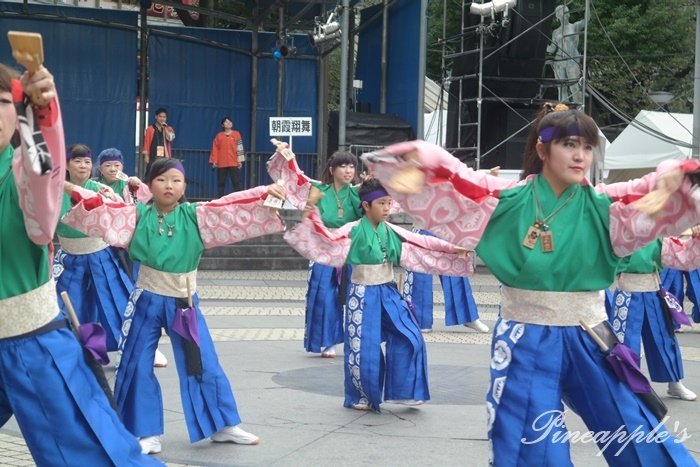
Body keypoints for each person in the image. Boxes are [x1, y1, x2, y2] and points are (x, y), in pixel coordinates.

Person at [363, 105, 700, 465]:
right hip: (525, 338)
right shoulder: (503, 199)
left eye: (588, 147)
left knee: (637, 429)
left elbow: (653, 189)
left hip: (591, 334)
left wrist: (681, 175)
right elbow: (454, 177)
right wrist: (412, 158)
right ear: (542, 150)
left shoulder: (607, 206)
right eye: (570, 144)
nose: (580, 155)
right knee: (532, 446)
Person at [62, 157, 287, 455]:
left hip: (184, 300)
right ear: (149, 184)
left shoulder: (197, 215)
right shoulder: (135, 215)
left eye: (176, 180)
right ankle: (145, 431)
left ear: (184, 186)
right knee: (136, 363)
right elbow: (94, 203)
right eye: (162, 179)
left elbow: (233, 204)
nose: (169, 186)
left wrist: (270, 192)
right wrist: (61, 183)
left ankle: (222, 424)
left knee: (202, 360)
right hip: (146, 298)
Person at [0, 63, 161, 465]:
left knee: (85, 454)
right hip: (65, 278)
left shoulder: (21, 172)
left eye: (3, 102)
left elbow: (42, 177)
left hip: (30, 342)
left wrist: (45, 115)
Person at [285, 178, 472, 412]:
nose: (386, 209)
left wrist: (453, 249)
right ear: (366, 206)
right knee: (363, 348)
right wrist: (310, 210)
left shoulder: (390, 229)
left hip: (388, 290)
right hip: (362, 294)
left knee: (411, 336)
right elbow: (326, 240)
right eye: (381, 203)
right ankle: (360, 396)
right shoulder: (352, 230)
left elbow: (422, 241)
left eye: (388, 203)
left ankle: (406, 392)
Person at [93, 146, 170, 367]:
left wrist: (138, 187)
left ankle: (145, 346)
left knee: (132, 292)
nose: (112, 169)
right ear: (100, 167)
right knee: (102, 299)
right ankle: (96, 347)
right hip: (101, 248)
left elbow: (147, 201)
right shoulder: (94, 186)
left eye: (116, 165)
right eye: (107, 165)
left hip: (129, 246)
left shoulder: (129, 185)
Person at [54, 143, 134, 353]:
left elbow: (120, 212)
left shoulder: (101, 189)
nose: (83, 166)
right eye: (77, 161)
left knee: (115, 301)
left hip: (100, 254)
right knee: (68, 306)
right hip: (69, 257)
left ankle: (132, 343)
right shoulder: (53, 191)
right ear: (67, 165)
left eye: (87, 162)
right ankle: (70, 349)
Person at [609, 236, 699, 401]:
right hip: (627, 289)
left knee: (664, 337)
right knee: (625, 340)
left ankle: (674, 382)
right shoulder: (619, 227)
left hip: (654, 286)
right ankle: (627, 384)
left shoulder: (657, 229)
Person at [402, 228, 489, 333]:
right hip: (422, 226)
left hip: (447, 227)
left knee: (456, 268)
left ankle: (468, 316)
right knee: (419, 274)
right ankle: (419, 320)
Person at [546, 5, 587, 103]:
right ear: (557, 16)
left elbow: (587, 19)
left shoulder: (574, 26)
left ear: (568, 14)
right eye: (560, 14)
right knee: (561, 88)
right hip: (559, 61)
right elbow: (552, 48)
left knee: (574, 87)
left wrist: (588, 6)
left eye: (564, 13)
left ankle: (578, 108)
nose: (562, 16)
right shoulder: (556, 32)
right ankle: (563, 110)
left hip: (572, 59)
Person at [210, 116, 245, 197]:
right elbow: (215, 149)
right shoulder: (219, 136)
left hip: (234, 162)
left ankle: (239, 199)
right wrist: (215, 161)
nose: (228, 123)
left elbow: (240, 147)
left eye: (230, 122)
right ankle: (220, 199)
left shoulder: (236, 134)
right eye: (226, 122)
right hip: (222, 163)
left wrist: (240, 160)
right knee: (221, 182)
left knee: (236, 182)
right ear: (223, 125)